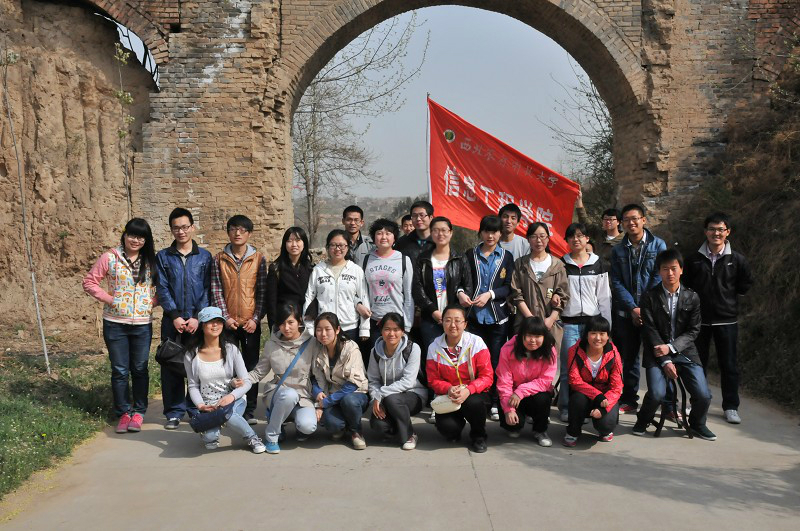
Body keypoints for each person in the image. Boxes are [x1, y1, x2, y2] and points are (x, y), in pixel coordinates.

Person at [83, 218, 158, 434]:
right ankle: (124, 413)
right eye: (132, 235)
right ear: (124, 235)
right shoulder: (110, 257)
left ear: (146, 240)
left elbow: (163, 287)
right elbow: (89, 282)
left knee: (140, 368)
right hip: (115, 324)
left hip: (142, 324)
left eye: (141, 237)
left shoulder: (151, 260)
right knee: (119, 370)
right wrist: (110, 299)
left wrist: (151, 303)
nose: (136, 240)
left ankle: (139, 412)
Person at [632, 249, 716, 441]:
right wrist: (665, 359)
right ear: (659, 272)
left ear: (681, 270)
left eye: (674, 268)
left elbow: (693, 330)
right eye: (665, 269)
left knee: (703, 395)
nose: (670, 273)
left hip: (685, 351)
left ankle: (698, 423)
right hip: (656, 352)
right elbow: (649, 329)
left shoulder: (692, 297)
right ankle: (643, 419)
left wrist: (671, 348)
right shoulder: (649, 297)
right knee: (656, 393)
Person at [683, 213, 752, 424]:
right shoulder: (693, 259)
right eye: (712, 229)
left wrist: (726, 300)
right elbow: (686, 286)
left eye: (721, 229)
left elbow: (744, 285)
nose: (716, 233)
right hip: (699, 321)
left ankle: (731, 406)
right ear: (705, 232)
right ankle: (697, 402)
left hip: (727, 320)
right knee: (697, 364)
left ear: (727, 232)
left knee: (729, 365)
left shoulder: (737, 260)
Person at [156, 207, 213, 430]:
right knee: (171, 366)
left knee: (198, 367)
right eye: (176, 228)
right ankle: (174, 411)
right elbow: (162, 288)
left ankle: (195, 408)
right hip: (173, 321)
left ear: (192, 227)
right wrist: (175, 316)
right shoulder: (163, 257)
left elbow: (208, 288)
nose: (181, 231)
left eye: (184, 227)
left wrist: (198, 317)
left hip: (197, 322)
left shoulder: (204, 256)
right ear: (171, 230)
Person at [210, 214, 268, 425]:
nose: (237, 233)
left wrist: (256, 318)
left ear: (249, 234)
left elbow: (262, 291)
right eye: (234, 229)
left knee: (251, 366)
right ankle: (229, 407)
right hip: (229, 324)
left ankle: (249, 409)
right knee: (228, 366)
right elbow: (216, 290)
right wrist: (225, 317)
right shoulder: (219, 259)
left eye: (242, 230)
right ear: (228, 232)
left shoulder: (258, 259)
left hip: (250, 323)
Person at [609, 204, 667, 414]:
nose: (631, 223)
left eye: (634, 218)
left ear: (644, 220)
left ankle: (665, 402)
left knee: (659, 355)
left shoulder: (658, 245)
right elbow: (615, 281)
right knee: (629, 357)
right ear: (622, 224)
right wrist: (633, 308)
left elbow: (659, 276)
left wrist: (643, 308)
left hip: (652, 312)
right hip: (626, 313)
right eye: (626, 220)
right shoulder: (617, 250)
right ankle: (629, 399)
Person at [184, 307, 266, 453]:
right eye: (210, 321)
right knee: (210, 441)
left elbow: (247, 381)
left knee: (228, 415)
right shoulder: (191, 355)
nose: (215, 325)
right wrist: (201, 405)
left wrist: (231, 396)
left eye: (219, 321)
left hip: (234, 399)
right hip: (210, 404)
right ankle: (212, 430)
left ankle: (252, 437)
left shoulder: (231, 349)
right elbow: (193, 385)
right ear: (202, 326)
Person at [243, 303, 316, 454]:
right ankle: (272, 436)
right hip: (277, 392)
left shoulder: (312, 343)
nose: (286, 328)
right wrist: (242, 381)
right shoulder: (271, 345)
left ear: (299, 321)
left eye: (290, 322)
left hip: (303, 394)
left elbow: (319, 373)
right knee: (289, 395)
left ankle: (283, 419)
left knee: (308, 426)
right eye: (282, 323)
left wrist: (321, 402)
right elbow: (258, 372)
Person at [462, 215, 514, 421]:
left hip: (497, 318)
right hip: (474, 317)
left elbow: (508, 286)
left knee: (495, 361)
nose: (490, 235)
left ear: (500, 234)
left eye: (495, 231)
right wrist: (461, 293)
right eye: (486, 231)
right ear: (481, 232)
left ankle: (494, 401)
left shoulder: (506, 257)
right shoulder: (470, 254)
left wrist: (490, 294)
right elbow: (463, 280)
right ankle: (477, 401)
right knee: (475, 361)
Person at [558, 222, 612, 422]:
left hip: (593, 325)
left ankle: (588, 407)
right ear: (567, 240)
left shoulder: (599, 264)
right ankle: (565, 407)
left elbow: (605, 298)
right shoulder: (561, 265)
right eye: (572, 236)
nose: (576, 239)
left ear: (587, 239)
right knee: (568, 368)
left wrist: (607, 328)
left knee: (590, 369)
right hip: (569, 323)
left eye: (580, 235)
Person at [426, 305, 494, 453]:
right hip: (449, 395)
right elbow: (432, 380)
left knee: (474, 403)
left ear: (465, 324)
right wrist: (448, 388)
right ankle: (456, 429)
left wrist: (468, 390)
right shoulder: (434, 347)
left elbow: (487, 376)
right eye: (448, 320)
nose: (452, 325)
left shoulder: (476, 342)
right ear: (442, 322)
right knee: (448, 429)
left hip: (475, 393)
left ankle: (478, 436)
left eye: (457, 320)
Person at [510, 221, 569, 362]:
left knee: (548, 364)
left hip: (550, 325)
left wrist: (551, 319)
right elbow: (516, 294)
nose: (538, 240)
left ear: (548, 238)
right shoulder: (520, 264)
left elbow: (563, 294)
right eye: (534, 236)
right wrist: (530, 319)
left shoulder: (557, 265)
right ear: (528, 239)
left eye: (542, 236)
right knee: (523, 363)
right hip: (525, 323)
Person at [367, 313, 427, 450]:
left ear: (402, 331)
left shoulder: (413, 348)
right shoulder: (375, 352)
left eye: (396, 329)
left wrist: (381, 394)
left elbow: (408, 381)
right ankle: (399, 428)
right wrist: (376, 398)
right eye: (387, 329)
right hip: (386, 398)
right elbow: (373, 381)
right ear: (381, 331)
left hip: (413, 394)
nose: (391, 334)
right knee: (378, 425)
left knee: (392, 399)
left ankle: (409, 435)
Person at [311, 312, 370, 450]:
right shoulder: (318, 349)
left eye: (327, 329)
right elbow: (314, 376)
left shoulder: (351, 348)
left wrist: (327, 402)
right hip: (332, 394)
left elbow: (353, 383)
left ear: (337, 330)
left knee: (348, 401)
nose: (323, 334)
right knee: (331, 424)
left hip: (356, 394)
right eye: (319, 330)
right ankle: (343, 426)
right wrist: (317, 392)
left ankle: (356, 431)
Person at [496, 317, 557, 447]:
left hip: (534, 393)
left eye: (537, 336)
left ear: (544, 336)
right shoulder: (508, 349)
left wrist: (521, 391)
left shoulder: (549, 350)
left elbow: (546, 380)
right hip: (512, 394)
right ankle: (517, 422)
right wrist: (508, 410)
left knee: (543, 398)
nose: (533, 340)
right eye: (529, 335)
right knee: (513, 428)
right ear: (521, 335)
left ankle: (540, 430)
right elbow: (504, 382)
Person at [563, 316, 622, 447]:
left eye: (602, 333)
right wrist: (597, 395)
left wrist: (604, 408)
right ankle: (573, 431)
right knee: (577, 399)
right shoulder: (574, 351)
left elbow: (617, 387)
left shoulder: (613, 353)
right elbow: (574, 380)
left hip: (605, 397)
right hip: (583, 394)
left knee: (606, 425)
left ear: (608, 336)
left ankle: (605, 430)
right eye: (593, 333)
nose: (598, 338)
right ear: (586, 335)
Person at [303, 229, 370, 342]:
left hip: (349, 328)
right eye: (333, 245)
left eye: (341, 245)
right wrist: (309, 328)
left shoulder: (355, 270)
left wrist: (364, 329)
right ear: (327, 247)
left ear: (347, 247)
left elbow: (363, 297)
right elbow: (309, 297)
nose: (337, 249)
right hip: (325, 328)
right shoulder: (318, 270)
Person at [362, 218, 414, 358]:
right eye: (379, 233)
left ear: (394, 237)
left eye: (388, 233)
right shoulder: (367, 260)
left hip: (396, 322)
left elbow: (408, 294)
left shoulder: (403, 260)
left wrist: (407, 325)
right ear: (374, 238)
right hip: (375, 321)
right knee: (376, 360)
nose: (383, 237)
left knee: (397, 361)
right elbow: (362, 291)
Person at [265, 227, 313, 331]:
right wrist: (274, 328)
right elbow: (271, 302)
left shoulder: (311, 268)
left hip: (306, 322)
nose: (294, 244)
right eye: (289, 241)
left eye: (298, 240)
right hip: (285, 323)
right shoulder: (276, 268)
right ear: (284, 244)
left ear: (304, 243)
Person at [574, 188, 624, 267]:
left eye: (611, 219)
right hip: (597, 271)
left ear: (618, 222)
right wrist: (579, 202)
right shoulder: (599, 234)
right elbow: (585, 222)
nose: (608, 222)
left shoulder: (624, 240)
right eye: (605, 219)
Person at [394, 200, 435, 264]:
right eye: (414, 215)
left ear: (431, 217)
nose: (418, 219)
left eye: (422, 215)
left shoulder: (440, 242)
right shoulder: (402, 242)